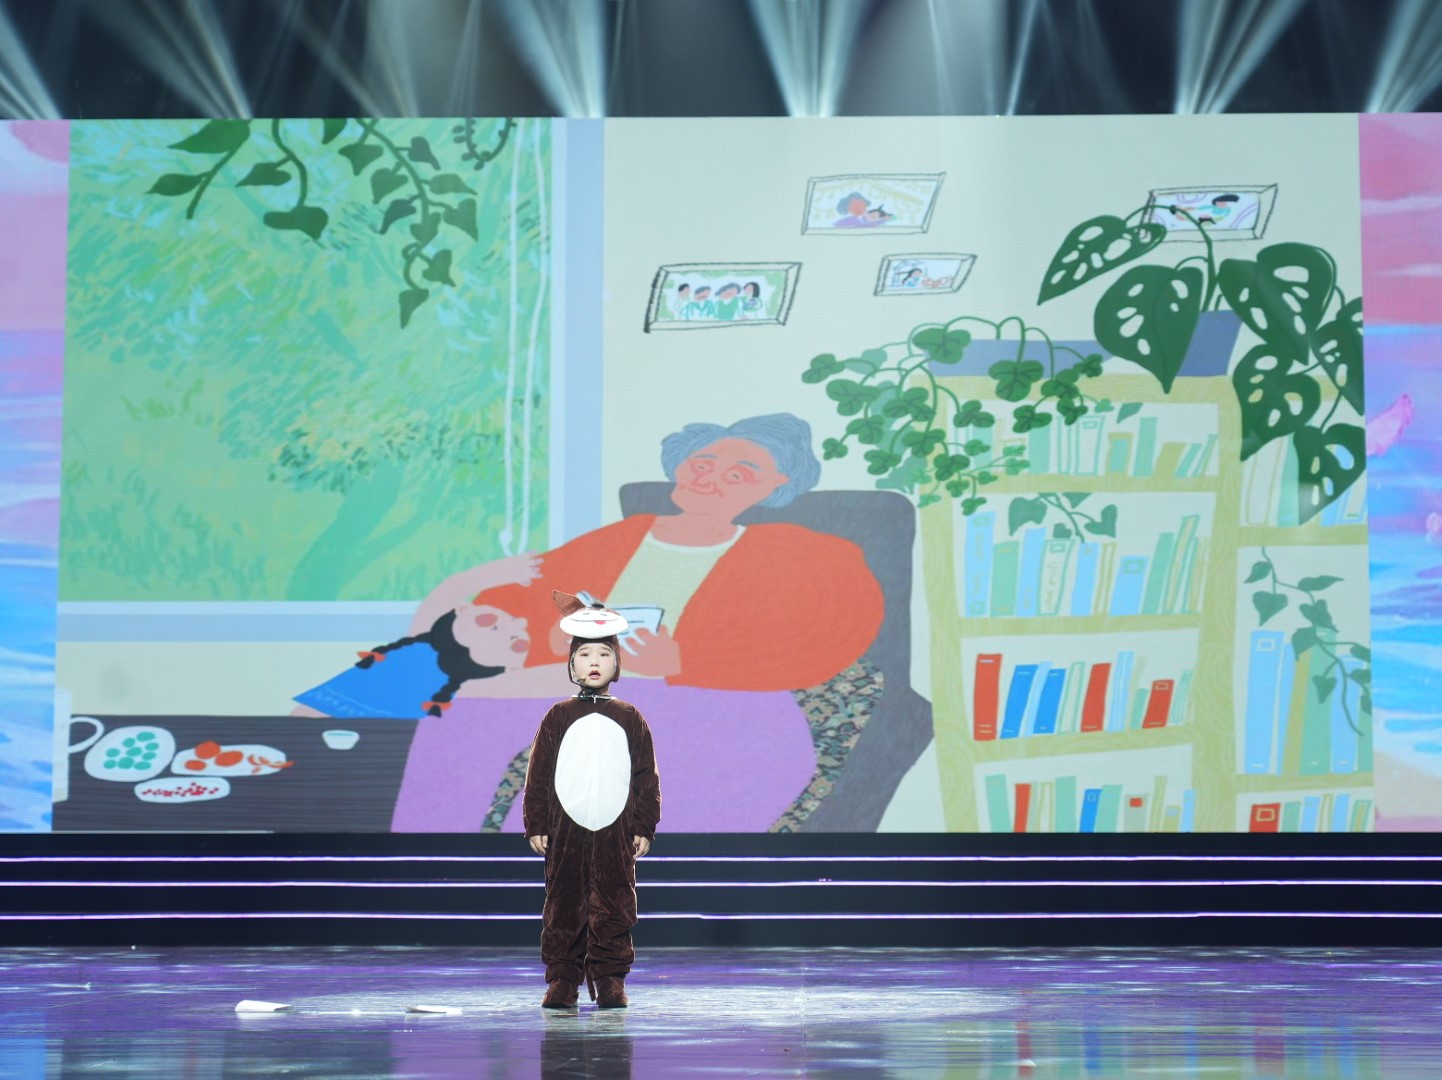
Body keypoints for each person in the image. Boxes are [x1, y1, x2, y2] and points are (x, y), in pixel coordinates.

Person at [524, 591, 661, 1009]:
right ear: (571, 664)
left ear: (617, 663)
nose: (594, 662)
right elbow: (539, 773)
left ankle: (610, 978)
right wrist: (537, 823)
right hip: (566, 825)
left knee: (615, 900)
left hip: (615, 825)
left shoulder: (630, 716)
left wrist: (644, 825)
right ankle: (562, 979)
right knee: (563, 900)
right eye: (584, 655)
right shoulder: (558, 715)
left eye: (604, 654)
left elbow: (645, 776)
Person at [291, 602, 530, 719]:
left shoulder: (458, 688)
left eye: (514, 643)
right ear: (463, 609)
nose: (520, 622)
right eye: (489, 621)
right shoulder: (410, 655)